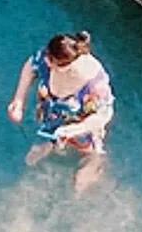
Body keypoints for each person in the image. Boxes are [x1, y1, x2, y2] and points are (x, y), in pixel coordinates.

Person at [7, 30, 114, 192]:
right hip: (52, 115)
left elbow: (104, 115)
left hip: (80, 125)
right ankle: (50, 142)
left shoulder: (92, 84)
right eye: (48, 57)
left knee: (82, 172)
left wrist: (73, 130)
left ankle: (93, 162)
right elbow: (31, 65)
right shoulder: (50, 56)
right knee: (29, 161)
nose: (46, 62)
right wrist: (19, 100)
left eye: (52, 62)